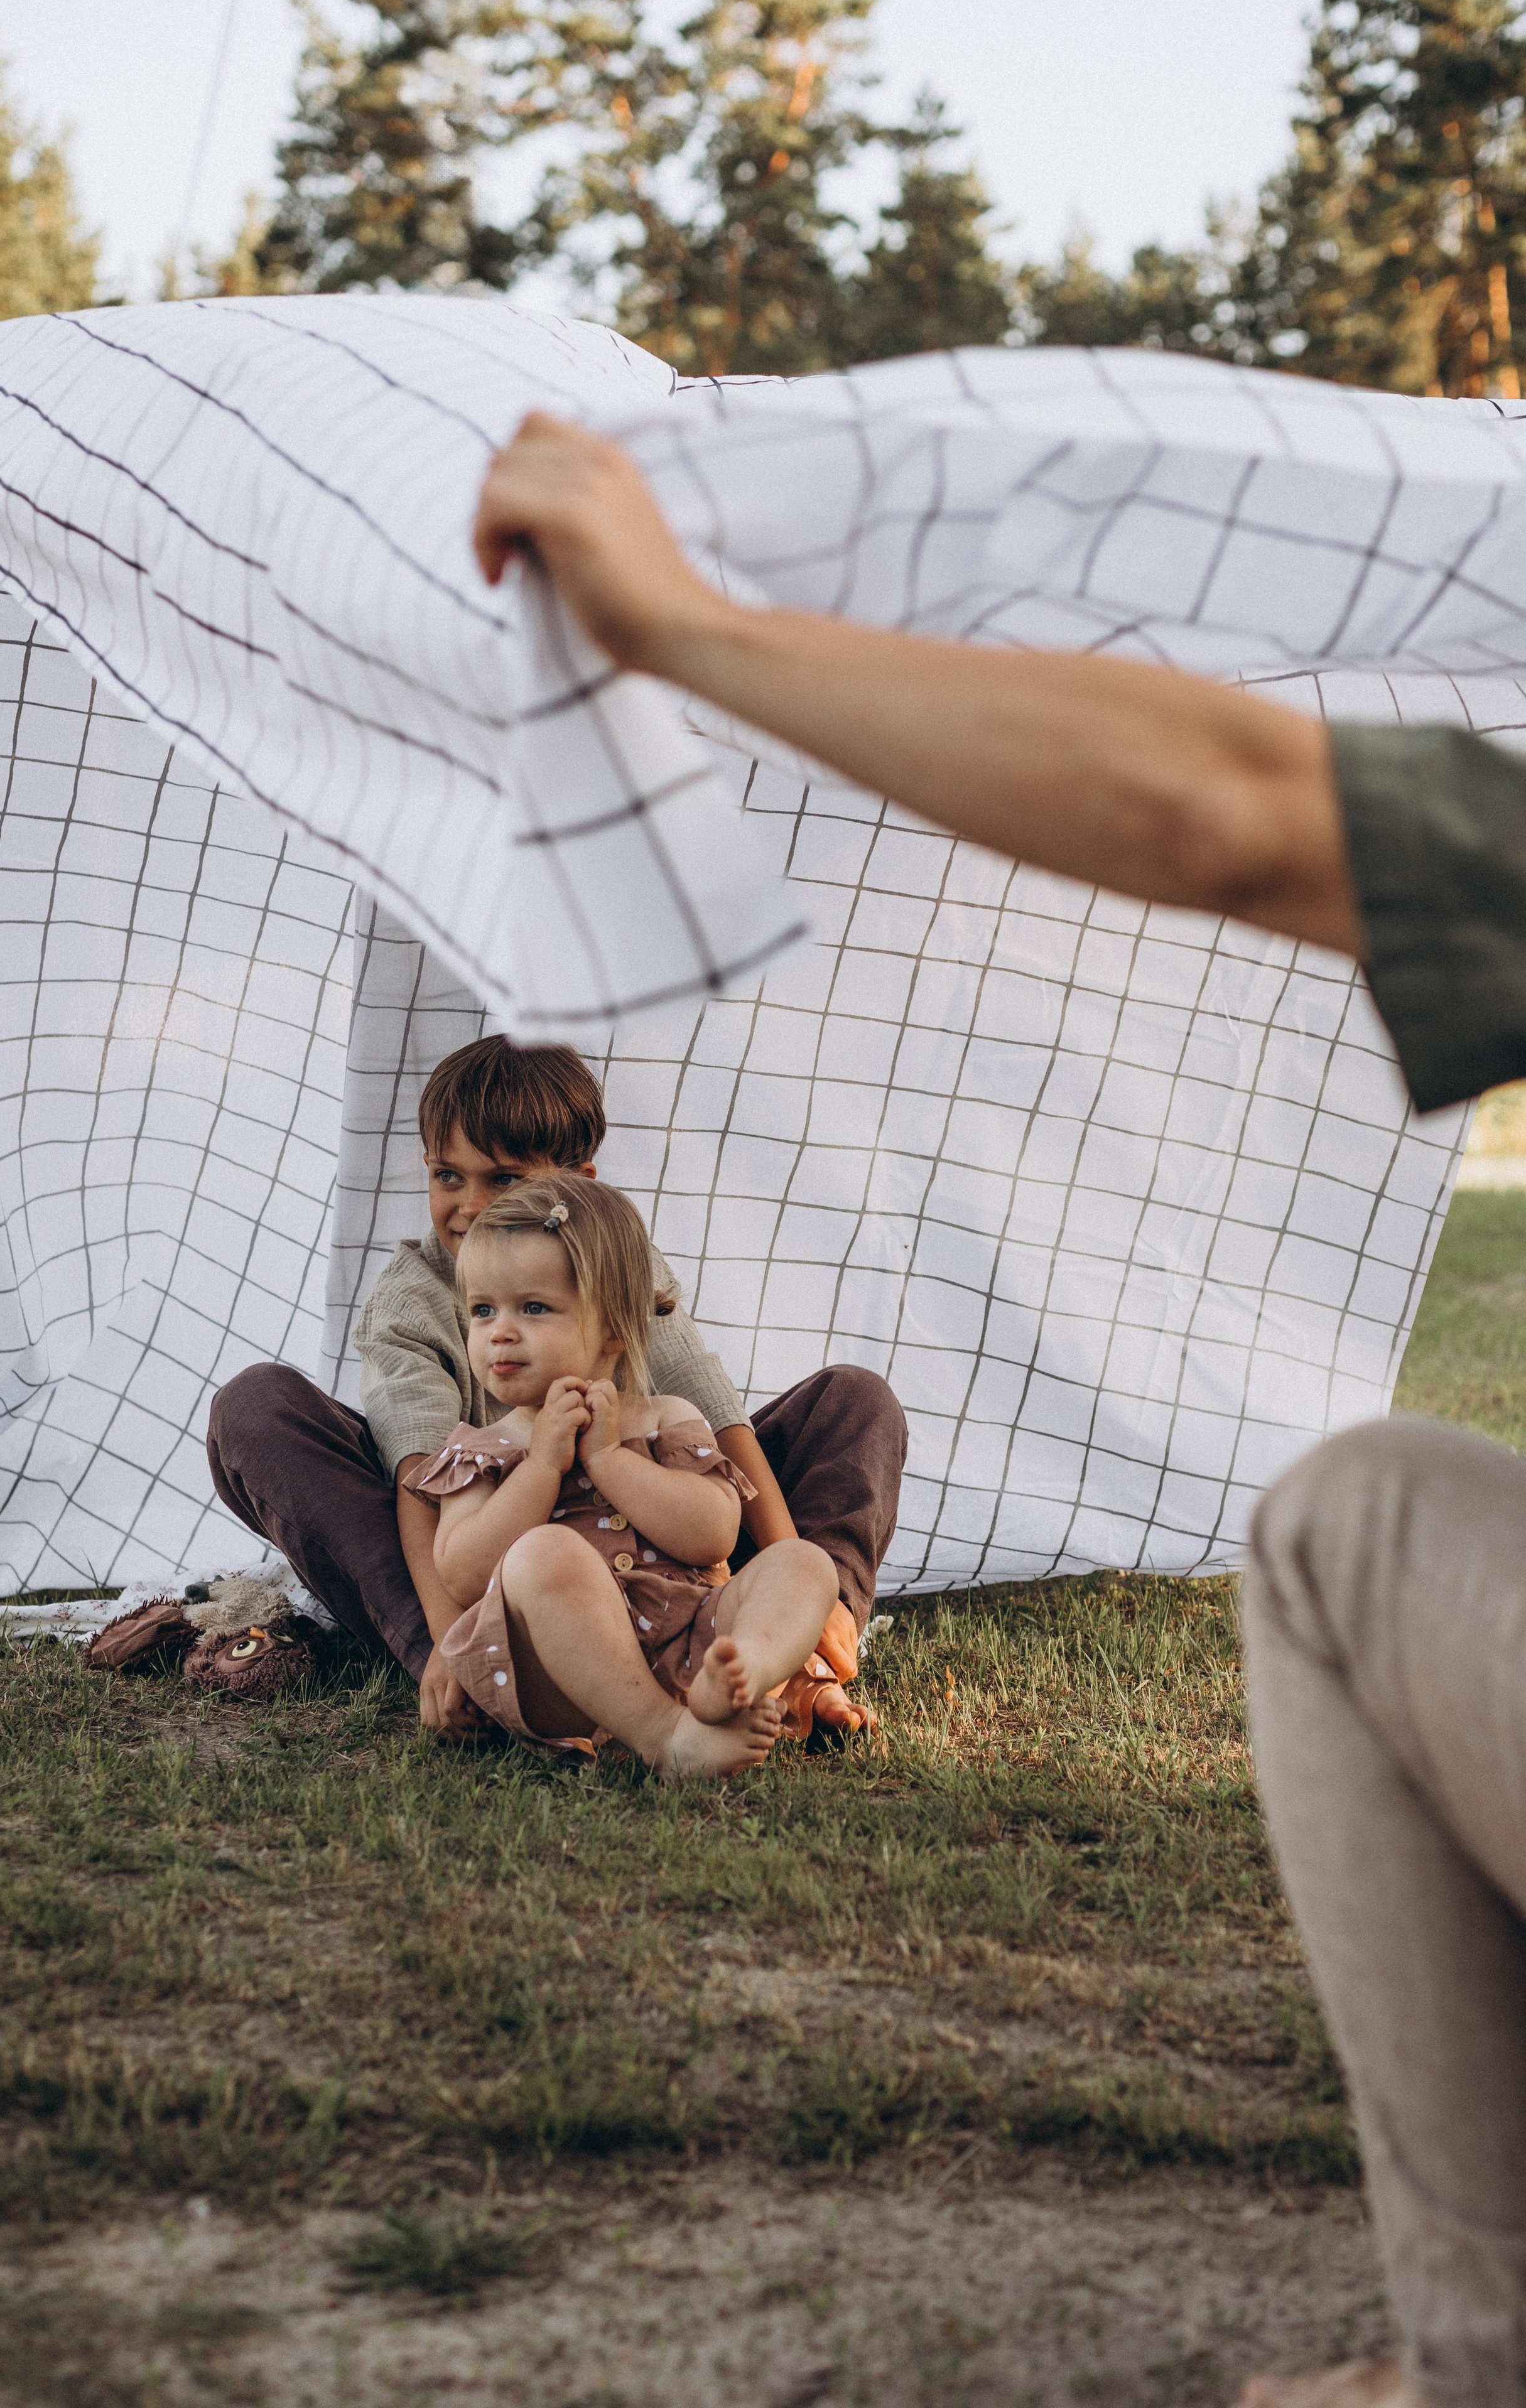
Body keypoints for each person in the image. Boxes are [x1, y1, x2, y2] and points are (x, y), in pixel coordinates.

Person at [473, 411, 1526, 2408]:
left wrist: (676, 622)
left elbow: (1225, 797)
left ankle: (1481, 2356)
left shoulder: (673, 1364)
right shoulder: (446, 1348)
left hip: (698, 1573)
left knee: (1341, 1518)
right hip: (593, 1576)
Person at [208, 1031, 904, 1741]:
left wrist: (800, 1587)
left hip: (668, 1557)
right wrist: (446, 1646)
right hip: (500, 1577)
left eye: (504, 1180)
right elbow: (418, 1475)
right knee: (257, 1407)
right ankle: (467, 1682)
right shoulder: (413, 1295)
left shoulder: (616, 1263)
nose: (469, 1205)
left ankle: (801, 1654)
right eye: (447, 1175)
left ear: (581, 1181)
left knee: (853, 1401)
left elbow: (717, 1418)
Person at [413, 1170, 838, 1778]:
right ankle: (666, 1737)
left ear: (613, 1326)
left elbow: (714, 1536)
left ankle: (742, 1670)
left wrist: (610, 1460)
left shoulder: (667, 1419)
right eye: (483, 1311)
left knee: (803, 1563)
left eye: (533, 1308)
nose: (500, 1331)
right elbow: (463, 1571)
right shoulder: (483, 1449)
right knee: (542, 1555)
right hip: (563, 1679)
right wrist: (542, 1467)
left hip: (692, 1639)